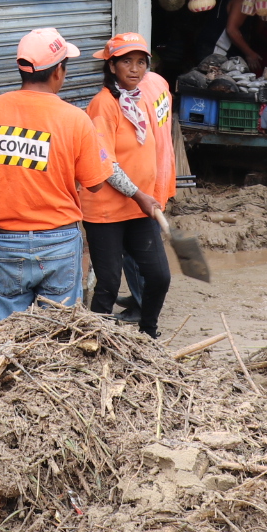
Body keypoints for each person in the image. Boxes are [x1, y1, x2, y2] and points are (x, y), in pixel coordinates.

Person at [0, 29, 116, 323]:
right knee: (59, 337)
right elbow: (94, 184)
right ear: (58, 71)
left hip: (6, 243)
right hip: (59, 243)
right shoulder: (75, 120)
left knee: (5, 337)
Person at [81, 34, 174, 336]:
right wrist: (140, 195)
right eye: (126, 62)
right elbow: (105, 164)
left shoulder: (142, 96)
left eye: (141, 62)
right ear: (111, 66)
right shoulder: (102, 105)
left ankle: (148, 335)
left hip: (140, 208)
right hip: (107, 212)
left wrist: (153, 193)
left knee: (159, 277)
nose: (134, 69)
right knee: (107, 284)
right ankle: (94, 343)